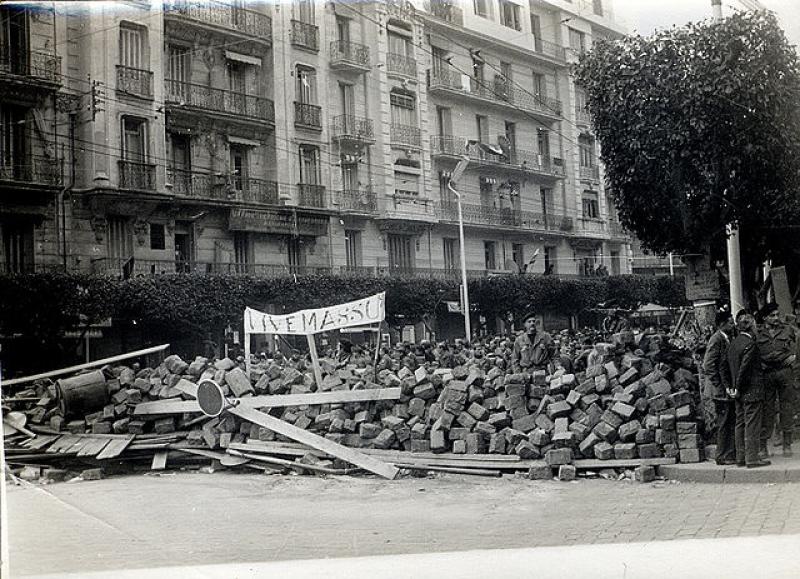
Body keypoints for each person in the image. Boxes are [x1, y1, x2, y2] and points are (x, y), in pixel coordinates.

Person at [723, 311, 770, 468]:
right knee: (752, 424)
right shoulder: (751, 345)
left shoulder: (733, 343)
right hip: (751, 391)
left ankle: (741, 457)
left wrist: (730, 387)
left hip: (738, 393)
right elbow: (745, 369)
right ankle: (752, 458)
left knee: (740, 423)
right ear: (751, 326)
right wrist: (737, 387)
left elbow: (723, 367)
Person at [756, 302, 796, 457]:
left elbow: (797, 345)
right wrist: (760, 364)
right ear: (765, 318)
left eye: (777, 315)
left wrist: (795, 357)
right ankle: (763, 446)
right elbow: (752, 353)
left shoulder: (788, 329)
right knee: (767, 409)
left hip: (784, 372)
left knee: (787, 407)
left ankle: (787, 444)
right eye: (772, 315)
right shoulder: (758, 333)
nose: (776, 318)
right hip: (767, 374)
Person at [703, 311, 736, 465]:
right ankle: (721, 455)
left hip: (723, 389)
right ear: (722, 324)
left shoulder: (725, 338)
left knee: (728, 420)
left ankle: (727, 453)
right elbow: (708, 365)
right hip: (719, 391)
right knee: (723, 422)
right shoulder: (716, 339)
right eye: (730, 322)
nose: (733, 325)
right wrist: (719, 384)